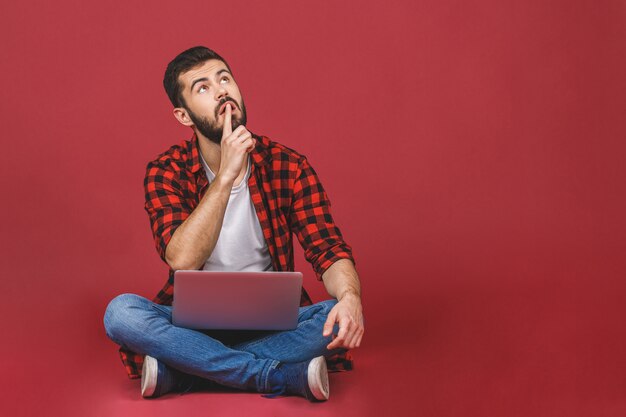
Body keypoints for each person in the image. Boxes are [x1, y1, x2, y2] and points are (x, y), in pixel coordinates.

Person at [103, 46, 364, 401]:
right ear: (183, 116)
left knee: (335, 316)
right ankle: (276, 375)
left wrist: (350, 298)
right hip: (192, 326)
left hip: (274, 323)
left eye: (225, 78)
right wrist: (225, 176)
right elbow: (183, 259)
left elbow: (328, 250)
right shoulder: (165, 171)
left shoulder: (288, 165)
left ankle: (184, 372)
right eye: (203, 87)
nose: (222, 90)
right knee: (121, 313)